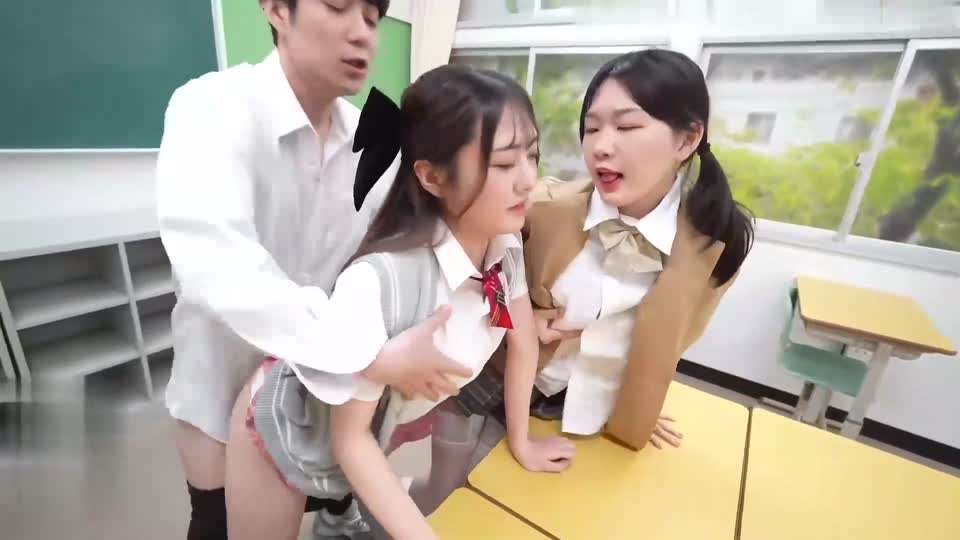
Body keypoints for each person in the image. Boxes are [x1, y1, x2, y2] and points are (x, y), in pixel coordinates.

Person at [156, 1, 471, 538]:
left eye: (371, 18)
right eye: (338, 7)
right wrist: (366, 353)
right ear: (278, 10)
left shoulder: (374, 140)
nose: (362, 34)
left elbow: (391, 248)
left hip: (316, 392)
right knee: (216, 524)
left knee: (314, 502)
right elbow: (221, 265)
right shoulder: (212, 107)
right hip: (222, 377)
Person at [224, 65, 575, 540]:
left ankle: (337, 517)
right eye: (503, 164)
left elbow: (524, 343)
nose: (528, 179)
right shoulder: (379, 283)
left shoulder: (505, 248)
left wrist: (522, 442)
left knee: (358, 482)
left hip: (374, 423)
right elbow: (349, 440)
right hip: (286, 426)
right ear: (432, 177)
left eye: (532, 155)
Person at [522, 48, 755, 449]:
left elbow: (673, 341)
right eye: (591, 128)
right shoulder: (542, 210)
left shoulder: (715, 244)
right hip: (510, 396)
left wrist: (640, 401)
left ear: (687, 140)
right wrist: (519, 322)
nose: (600, 146)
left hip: (609, 422)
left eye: (627, 126)